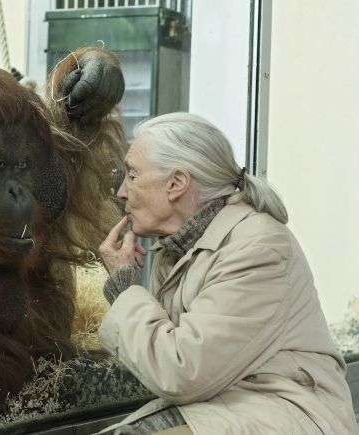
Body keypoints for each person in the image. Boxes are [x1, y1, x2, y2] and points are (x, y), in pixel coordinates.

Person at [96, 113, 358, 434]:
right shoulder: (177, 249)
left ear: (176, 184)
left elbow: (182, 373)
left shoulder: (257, 246)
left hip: (289, 412)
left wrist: (124, 290)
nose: (122, 191)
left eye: (132, 175)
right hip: (229, 404)